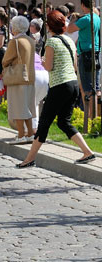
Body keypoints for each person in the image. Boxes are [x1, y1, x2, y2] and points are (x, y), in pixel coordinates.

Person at [17, 11, 96, 168]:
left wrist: (43, 60)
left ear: (48, 26)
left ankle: (29, 159)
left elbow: (49, 67)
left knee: (44, 123)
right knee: (63, 122)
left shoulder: (51, 43)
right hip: (72, 83)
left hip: (59, 86)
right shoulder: (69, 40)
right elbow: (73, 65)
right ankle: (87, 152)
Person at [2, 16, 37, 144]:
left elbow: (6, 60)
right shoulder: (30, 40)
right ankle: (29, 133)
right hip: (30, 76)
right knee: (27, 106)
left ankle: (21, 134)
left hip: (17, 77)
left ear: (15, 27)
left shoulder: (15, 41)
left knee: (18, 107)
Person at [66, 0, 100, 107]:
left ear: (82, 5)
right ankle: (94, 117)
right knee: (95, 87)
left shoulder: (85, 19)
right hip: (95, 52)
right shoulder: (96, 17)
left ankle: (88, 118)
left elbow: (69, 30)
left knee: (87, 89)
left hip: (85, 54)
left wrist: (75, 19)